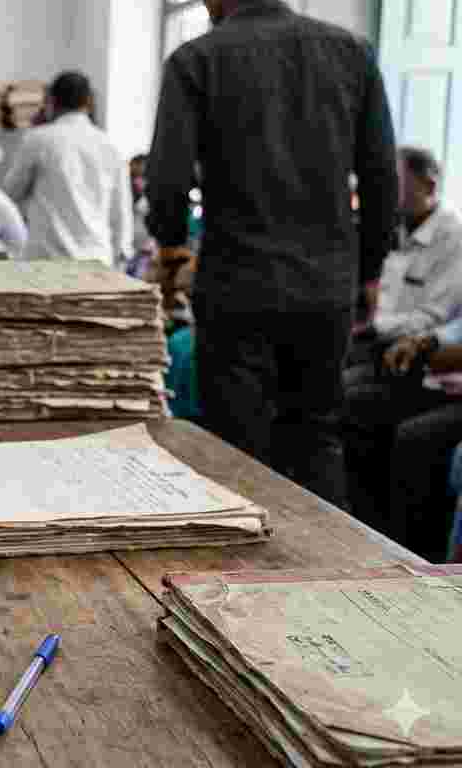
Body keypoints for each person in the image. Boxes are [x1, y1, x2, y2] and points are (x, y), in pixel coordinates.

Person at [145, 0, 397, 508]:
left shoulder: (197, 59)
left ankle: (240, 582)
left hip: (237, 284)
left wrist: (172, 249)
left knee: (237, 448)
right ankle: (331, 576)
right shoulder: (353, 53)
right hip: (326, 288)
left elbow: (166, 181)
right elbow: (381, 180)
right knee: (318, 437)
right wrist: (368, 274)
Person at [345, 319, 462, 561]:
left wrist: (432, 351)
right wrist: (425, 342)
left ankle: (418, 557)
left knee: (417, 438)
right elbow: (454, 330)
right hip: (440, 376)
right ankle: (368, 534)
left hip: (445, 382)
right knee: (354, 401)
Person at [3, 71, 133, 266]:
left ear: (51, 101)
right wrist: (121, 254)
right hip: (97, 260)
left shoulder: (39, 139)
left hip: (47, 259)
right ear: (88, 101)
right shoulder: (109, 146)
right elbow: (121, 208)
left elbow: (12, 191)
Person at [364, 147, 462, 343]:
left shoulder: (454, 238)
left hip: (414, 355)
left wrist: (371, 329)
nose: (384, 188)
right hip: (377, 342)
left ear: (429, 187)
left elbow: (435, 318)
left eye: (394, 180)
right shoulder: (397, 227)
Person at [126, 154, 156, 278]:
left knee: (138, 280)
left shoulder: (150, 191)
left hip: (145, 247)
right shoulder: (127, 188)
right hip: (129, 246)